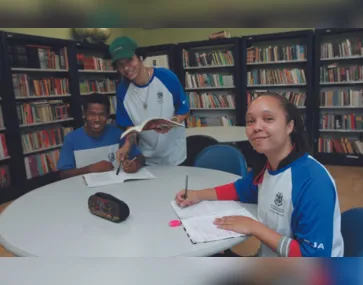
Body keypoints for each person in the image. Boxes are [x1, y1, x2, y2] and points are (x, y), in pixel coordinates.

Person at [175, 92, 344, 257]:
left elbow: (314, 256)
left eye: (268, 119)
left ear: (289, 126)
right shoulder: (266, 166)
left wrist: (254, 227)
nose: (256, 127)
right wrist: (198, 194)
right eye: (250, 121)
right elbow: (241, 189)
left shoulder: (313, 181)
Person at [108, 36, 190, 166]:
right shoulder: (122, 91)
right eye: (120, 65)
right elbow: (130, 127)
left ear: (140, 57)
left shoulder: (166, 77)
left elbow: (184, 111)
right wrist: (127, 146)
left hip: (175, 155)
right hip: (147, 158)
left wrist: (172, 123)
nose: (126, 68)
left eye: (130, 60)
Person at [57, 93, 145, 179]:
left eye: (102, 114)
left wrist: (135, 165)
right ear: (84, 114)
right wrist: (90, 169)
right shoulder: (71, 139)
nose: (97, 120)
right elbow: (64, 173)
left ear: (108, 115)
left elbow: (140, 158)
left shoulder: (119, 134)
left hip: (116, 186)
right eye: (91, 114)